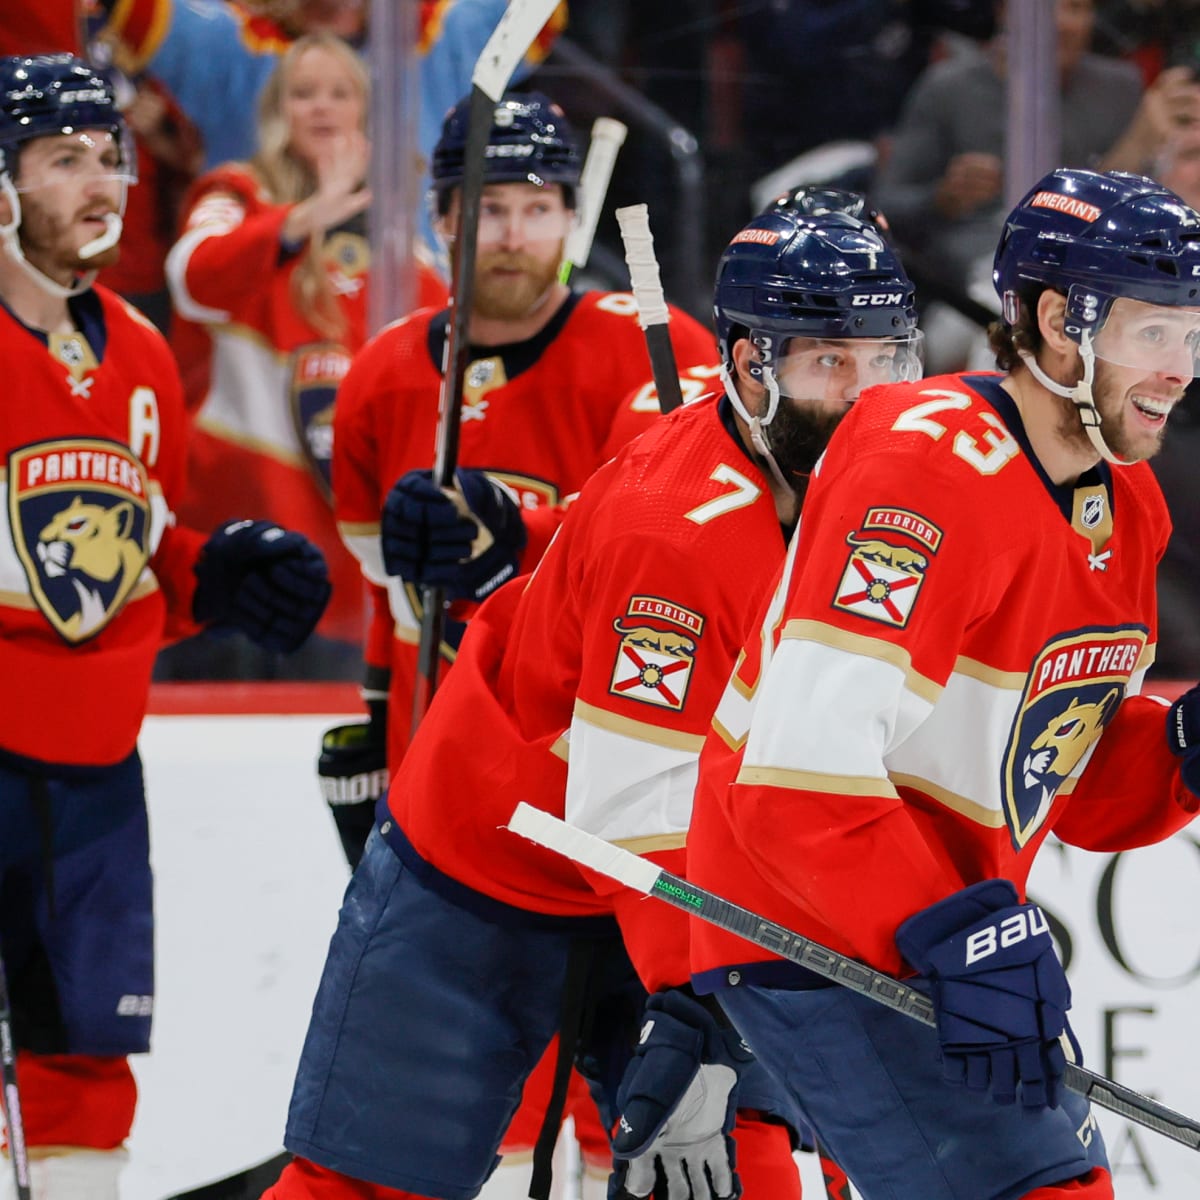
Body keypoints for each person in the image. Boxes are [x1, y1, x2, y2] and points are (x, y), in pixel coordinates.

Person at [265, 201, 924, 1200]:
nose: (869, 396)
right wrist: (695, 1005)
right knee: (361, 1187)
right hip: (492, 855)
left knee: (730, 1175)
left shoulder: (898, 488)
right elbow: (632, 802)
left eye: (889, 360)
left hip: (690, 882)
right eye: (831, 362)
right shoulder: (674, 529)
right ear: (749, 365)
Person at [686, 166, 1200, 1200]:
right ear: (1059, 320)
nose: (1182, 368)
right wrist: (964, 933)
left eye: (1193, 335)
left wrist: (1181, 750)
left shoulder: (1129, 506)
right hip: (810, 936)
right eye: (1155, 333)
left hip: (931, 934)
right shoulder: (918, 466)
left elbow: (1062, 780)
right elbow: (793, 782)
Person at [0, 53, 330, 1198]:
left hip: (92, 766)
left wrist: (215, 572)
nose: (98, 185)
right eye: (60, 161)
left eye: (109, 158)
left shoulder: (140, 354)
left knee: (85, 1053)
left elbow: (112, 559)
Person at [326, 89, 717, 850]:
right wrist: (377, 721)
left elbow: (654, 539)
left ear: (572, 219)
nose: (511, 235)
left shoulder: (656, 350)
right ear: (441, 219)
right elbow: (386, 587)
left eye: (537, 210)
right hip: (430, 780)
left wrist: (513, 526)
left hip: (591, 781)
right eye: (486, 209)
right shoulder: (381, 371)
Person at [158, 32, 424, 679]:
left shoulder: (395, 238)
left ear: (366, 110)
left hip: (337, 567)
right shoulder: (236, 193)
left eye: (340, 93)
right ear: (279, 108)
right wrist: (305, 218)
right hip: (227, 533)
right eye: (304, 93)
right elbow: (191, 275)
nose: (322, 108)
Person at [872, 0, 1200, 371]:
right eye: (1047, 9)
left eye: (1076, 8)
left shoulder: (1121, 87)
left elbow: (1147, 201)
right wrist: (943, 197)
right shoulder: (948, 87)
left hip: (1101, 269)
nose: (1062, 23)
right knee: (961, 339)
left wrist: (1145, 143)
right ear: (1006, 13)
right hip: (972, 277)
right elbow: (886, 208)